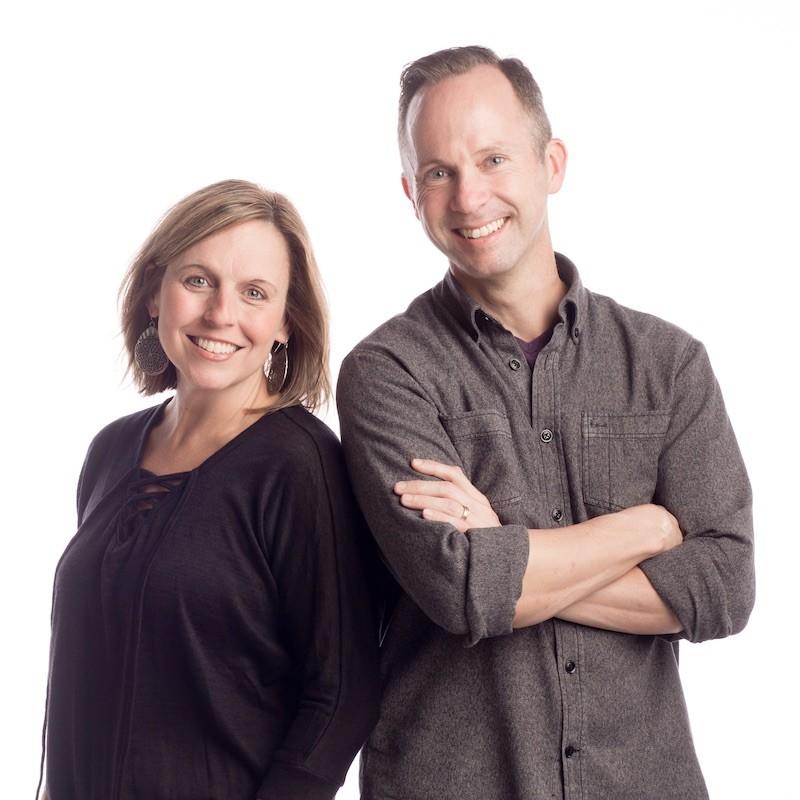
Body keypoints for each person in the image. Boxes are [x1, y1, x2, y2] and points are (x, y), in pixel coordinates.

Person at [337, 46, 754, 800]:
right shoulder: (387, 372)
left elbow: (724, 588)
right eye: (438, 173)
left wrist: (502, 546)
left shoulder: (668, 363)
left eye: (493, 159)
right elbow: (459, 589)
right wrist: (649, 528)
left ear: (551, 163)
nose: (469, 197)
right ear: (411, 194)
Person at [39, 179, 380, 800]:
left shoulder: (300, 465)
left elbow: (341, 696)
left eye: (255, 292)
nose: (221, 313)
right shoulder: (111, 451)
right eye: (198, 280)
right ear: (154, 293)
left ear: (286, 321)